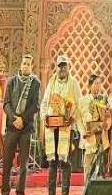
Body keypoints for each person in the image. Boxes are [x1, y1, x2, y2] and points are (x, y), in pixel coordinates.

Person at [40, 55, 81, 195]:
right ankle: (51, 193)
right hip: (52, 128)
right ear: (56, 67)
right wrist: (44, 117)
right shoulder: (51, 82)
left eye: (64, 65)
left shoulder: (74, 83)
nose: (62, 68)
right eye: (60, 66)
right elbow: (45, 103)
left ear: (68, 67)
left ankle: (64, 193)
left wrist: (72, 118)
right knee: (52, 162)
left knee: (65, 162)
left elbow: (78, 104)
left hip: (66, 128)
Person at [1, 54, 40, 195]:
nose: (25, 66)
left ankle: (20, 191)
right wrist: (14, 119)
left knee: (23, 165)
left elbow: (35, 106)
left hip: (26, 128)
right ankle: (5, 191)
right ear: (20, 65)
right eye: (24, 63)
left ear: (31, 66)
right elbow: (6, 104)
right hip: (12, 127)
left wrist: (22, 120)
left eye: (28, 64)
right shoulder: (12, 81)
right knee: (7, 163)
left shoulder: (36, 83)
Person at [77, 73, 111, 180]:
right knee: (88, 171)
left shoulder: (104, 99)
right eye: (95, 83)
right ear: (89, 85)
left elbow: (109, 119)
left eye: (99, 83)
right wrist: (83, 133)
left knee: (101, 171)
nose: (98, 86)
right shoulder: (82, 101)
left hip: (102, 139)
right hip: (89, 139)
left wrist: (106, 124)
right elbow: (78, 120)